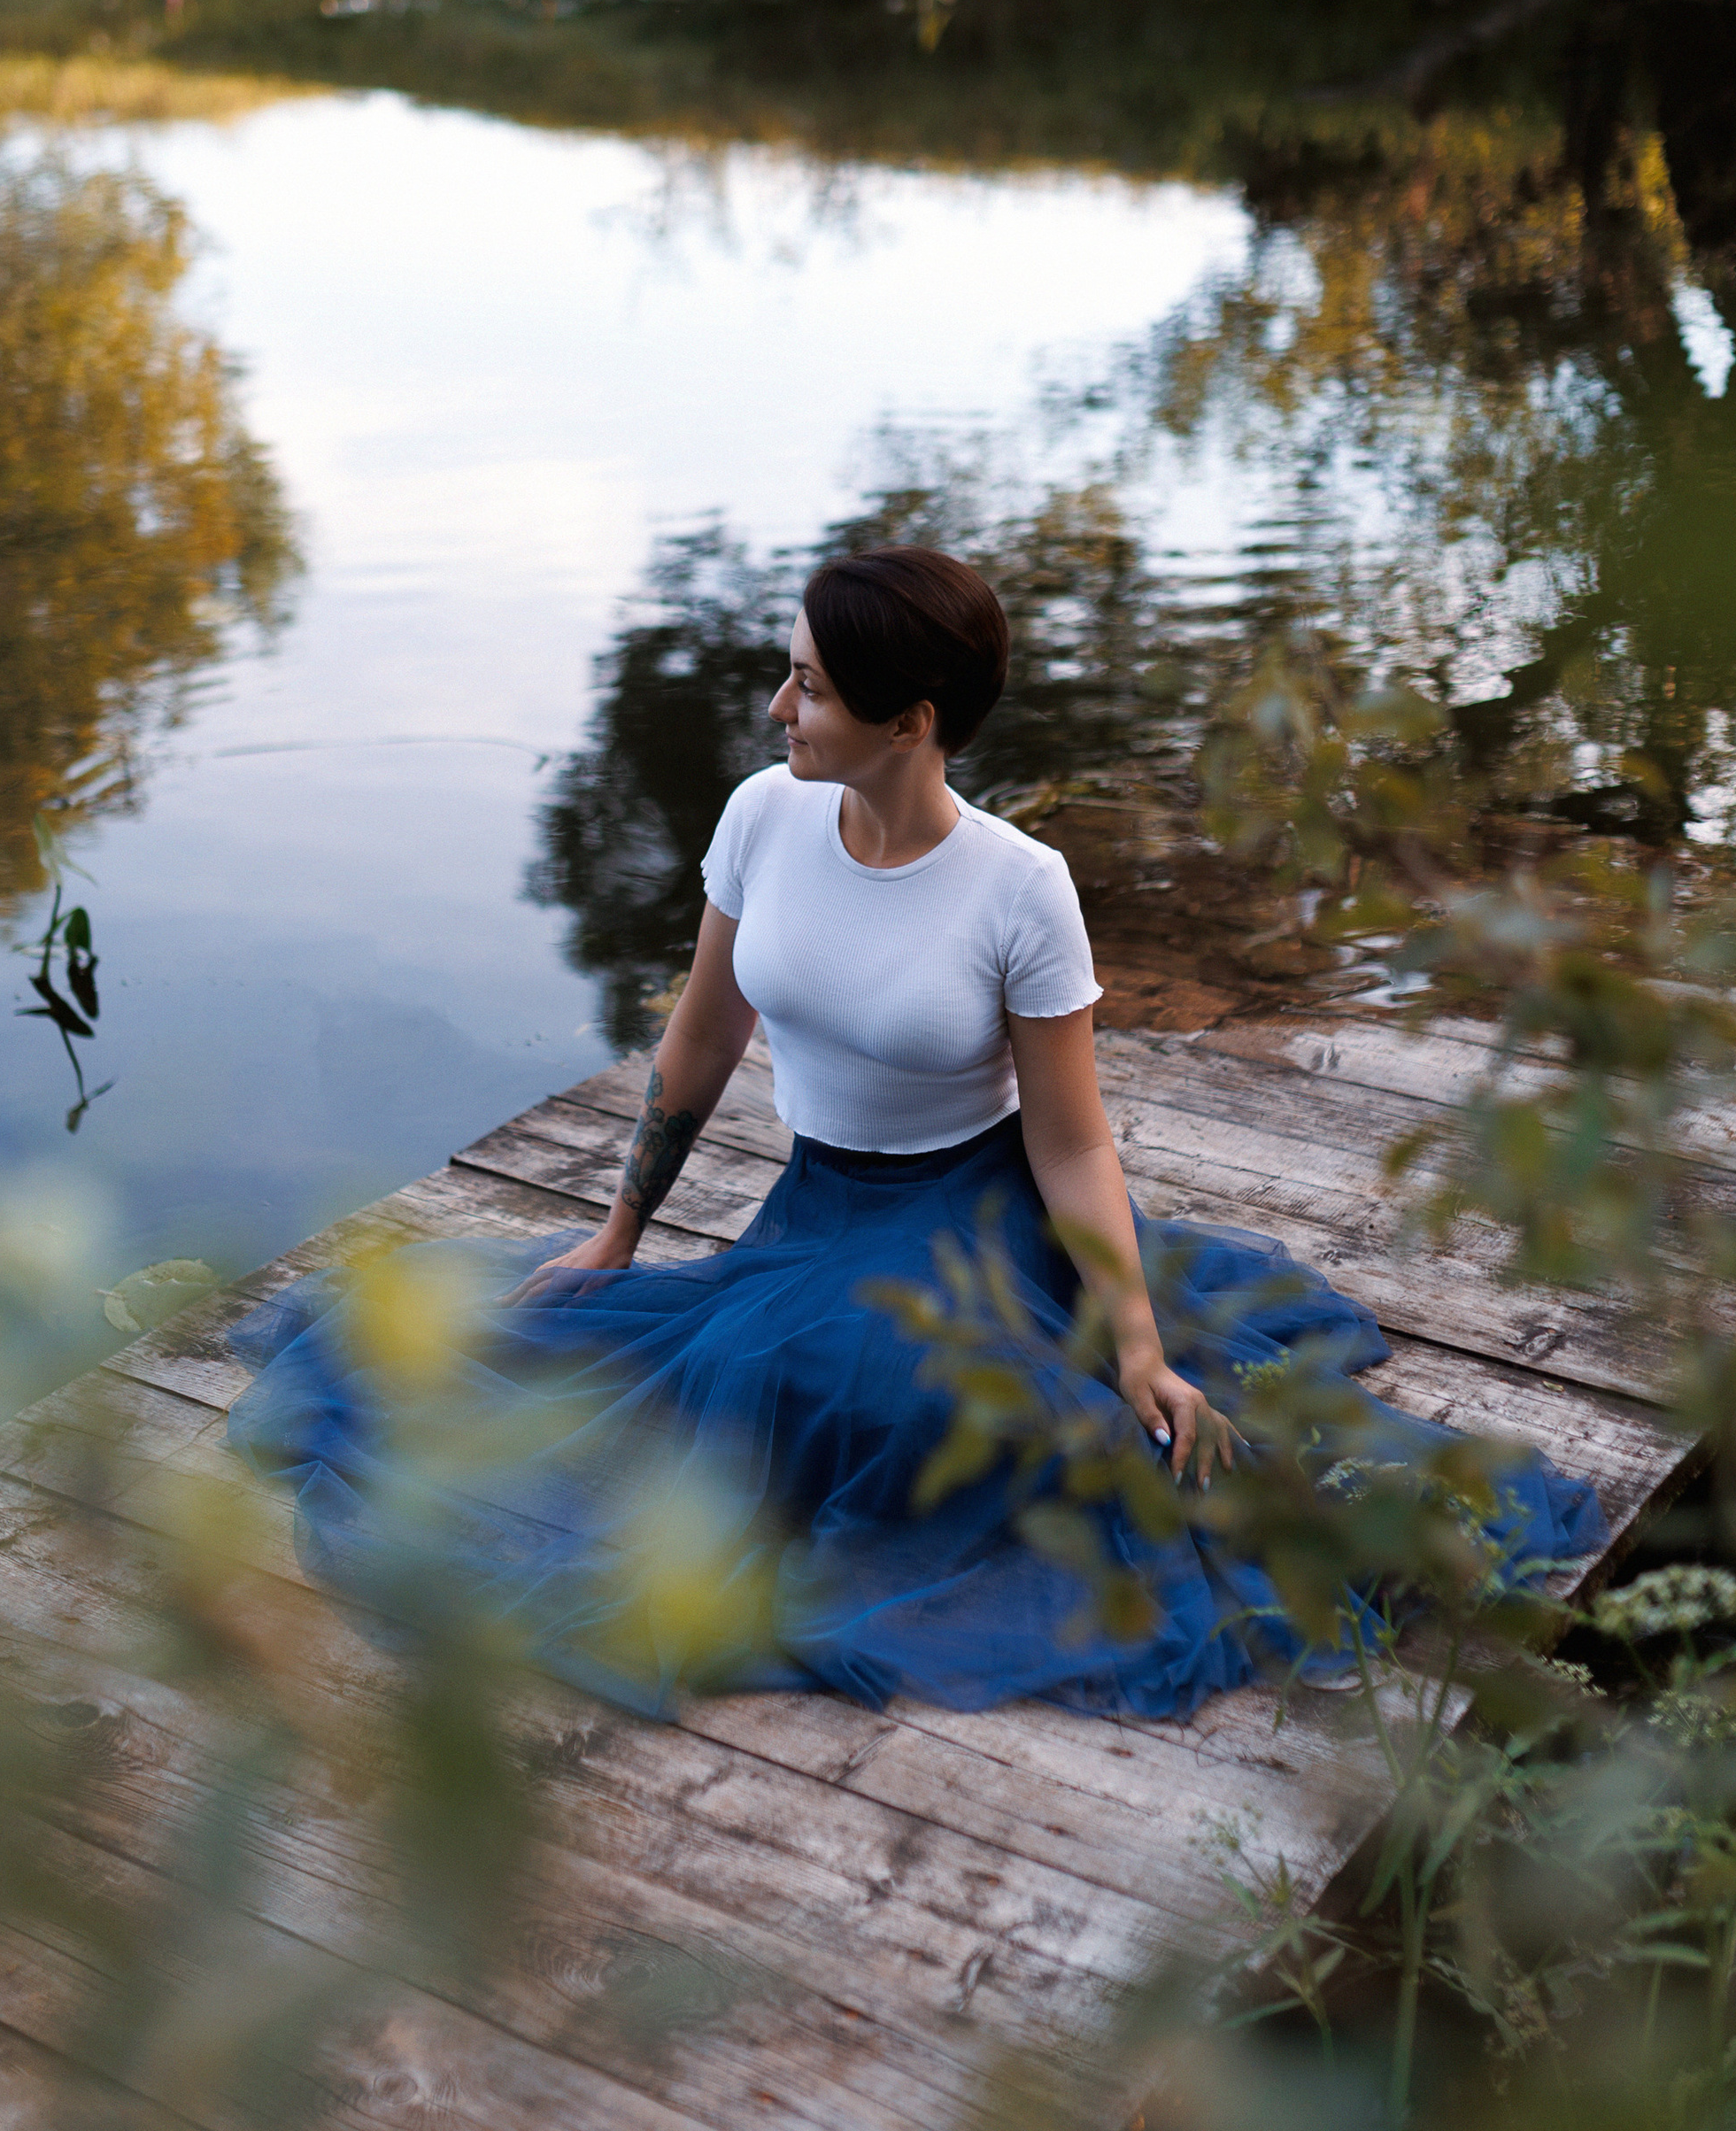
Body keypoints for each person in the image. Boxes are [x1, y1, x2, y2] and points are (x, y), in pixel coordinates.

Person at [229, 548, 1604, 1716]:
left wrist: (1136, 1352)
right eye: (789, 673)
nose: (779, 708)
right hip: (810, 1213)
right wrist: (618, 1229)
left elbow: (1073, 1144)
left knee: (890, 1410)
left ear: (913, 722)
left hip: (971, 1220)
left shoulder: (1020, 888)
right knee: (609, 1375)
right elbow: (703, 1036)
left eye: (811, 688)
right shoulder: (764, 818)